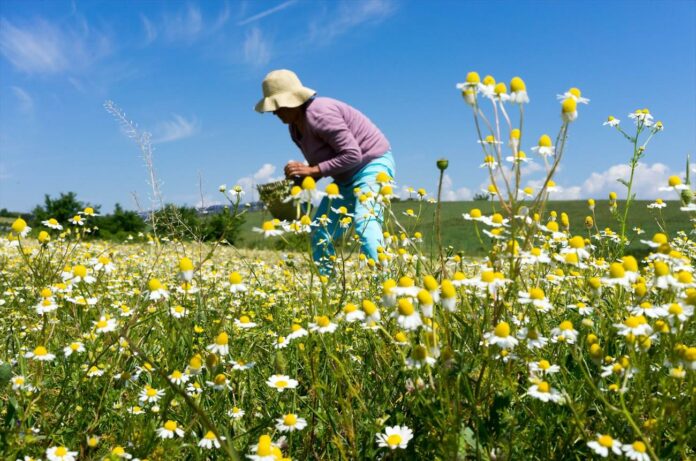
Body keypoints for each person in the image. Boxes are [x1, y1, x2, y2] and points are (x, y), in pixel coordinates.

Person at [255, 69, 395, 274]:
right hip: (345, 177)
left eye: (277, 106)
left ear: (292, 101)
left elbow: (353, 155)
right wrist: (298, 181)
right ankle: (327, 287)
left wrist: (312, 170)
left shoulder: (320, 114)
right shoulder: (295, 128)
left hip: (371, 165)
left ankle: (386, 286)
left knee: (366, 222)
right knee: (319, 231)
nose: (274, 113)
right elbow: (322, 165)